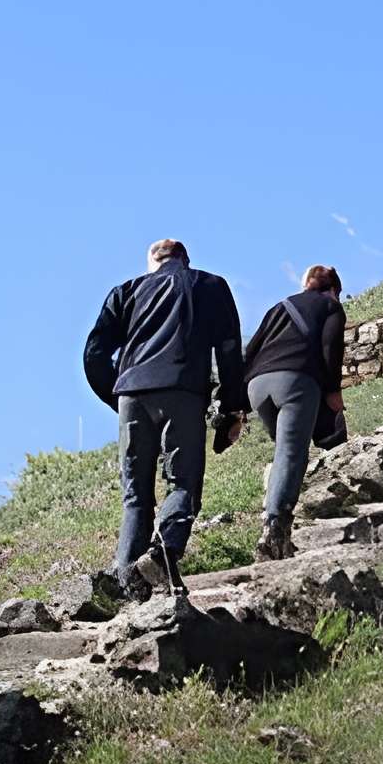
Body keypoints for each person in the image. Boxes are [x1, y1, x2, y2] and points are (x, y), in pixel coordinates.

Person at [82, 238, 248, 590]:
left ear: (151, 263)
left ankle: (128, 582)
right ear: (185, 260)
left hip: (130, 393)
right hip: (183, 390)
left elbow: (94, 354)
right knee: (184, 482)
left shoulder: (126, 291)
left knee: (135, 494)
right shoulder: (210, 285)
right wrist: (231, 407)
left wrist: (118, 396)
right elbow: (230, 349)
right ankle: (162, 553)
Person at [240, 264, 348, 559]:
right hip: (296, 380)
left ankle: (278, 529)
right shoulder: (331, 307)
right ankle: (274, 530)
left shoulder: (279, 307)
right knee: (292, 452)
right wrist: (333, 391)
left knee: (285, 451)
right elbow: (330, 348)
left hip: (258, 387)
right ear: (334, 289)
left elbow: (250, 352)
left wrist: (239, 403)